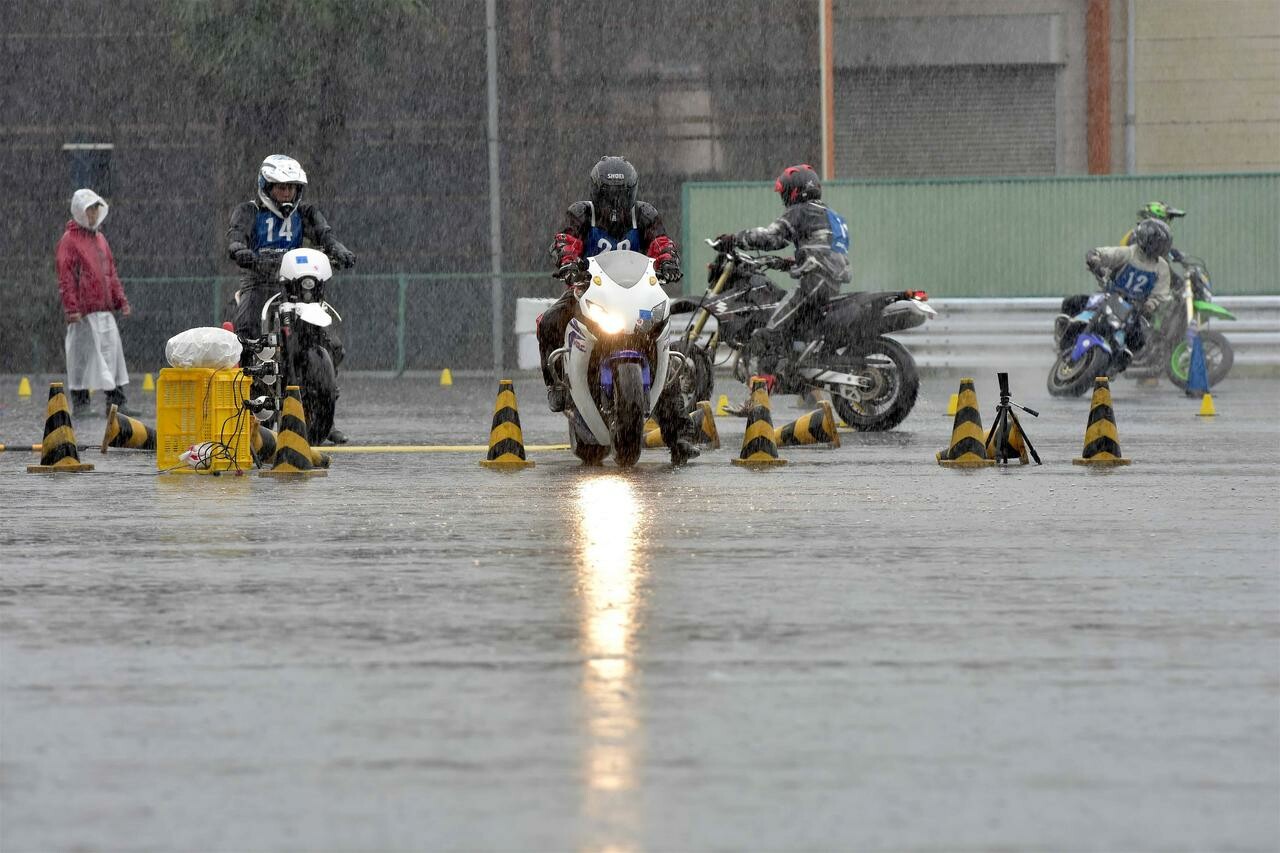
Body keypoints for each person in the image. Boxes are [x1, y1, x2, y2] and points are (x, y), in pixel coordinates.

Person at [537, 155, 695, 463]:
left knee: (663, 347)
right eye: (609, 194)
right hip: (588, 293)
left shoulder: (645, 215)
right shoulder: (582, 213)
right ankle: (556, 385)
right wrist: (567, 261)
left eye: (621, 194)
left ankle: (681, 437)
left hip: (636, 299)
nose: (615, 202)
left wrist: (669, 261)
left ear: (632, 192)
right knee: (548, 323)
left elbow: (661, 242)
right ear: (597, 192)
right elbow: (564, 240)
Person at [225, 154, 356, 443]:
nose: (286, 194)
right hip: (259, 280)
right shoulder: (249, 211)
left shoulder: (306, 213)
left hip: (294, 284)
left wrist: (339, 250)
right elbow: (236, 237)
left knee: (330, 345)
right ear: (266, 187)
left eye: (292, 188)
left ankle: (323, 415)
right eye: (280, 188)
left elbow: (325, 235)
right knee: (245, 335)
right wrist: (239, 249)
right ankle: (248, 408)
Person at [712, 164, 850, 401]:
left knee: (768, 334)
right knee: (788, 331)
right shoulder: (827, 213)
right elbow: (819, 248)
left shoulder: (801, 211)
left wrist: (736, 238)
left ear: (796, 191)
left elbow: (771, 237)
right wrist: (784, 263)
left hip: (815, 281)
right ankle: (802, 385)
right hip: (828, 280)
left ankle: (758, 402)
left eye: (785, 192)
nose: (784, 198)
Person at [56, 188, 134, 419]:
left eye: (95, 210)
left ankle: (117, 402)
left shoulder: (100, 238)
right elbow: (66, 277)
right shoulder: (69, 241)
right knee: (81, 358)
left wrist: (121, 300)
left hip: (103, 310)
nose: (93, 215)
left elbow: (110, 273)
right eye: (89, 210)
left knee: (112, 357)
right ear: (80, 211)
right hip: (84, 313)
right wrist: (72, 308)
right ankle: (81, 402)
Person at [1057, 218, 1173, 367]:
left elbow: (1160, 295)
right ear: (1146, 239)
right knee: (1071, 303)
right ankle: (1064, 335)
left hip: (1134, 310)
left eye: (1161, 245)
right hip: (1109, 297)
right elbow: (1105, 254)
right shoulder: (1129, 253)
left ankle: (1115, 365)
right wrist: (1095, 259)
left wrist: (1149, 306)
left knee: (1138, 341)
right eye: (1156, 243)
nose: (1157, 248)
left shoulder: (1162, 268)